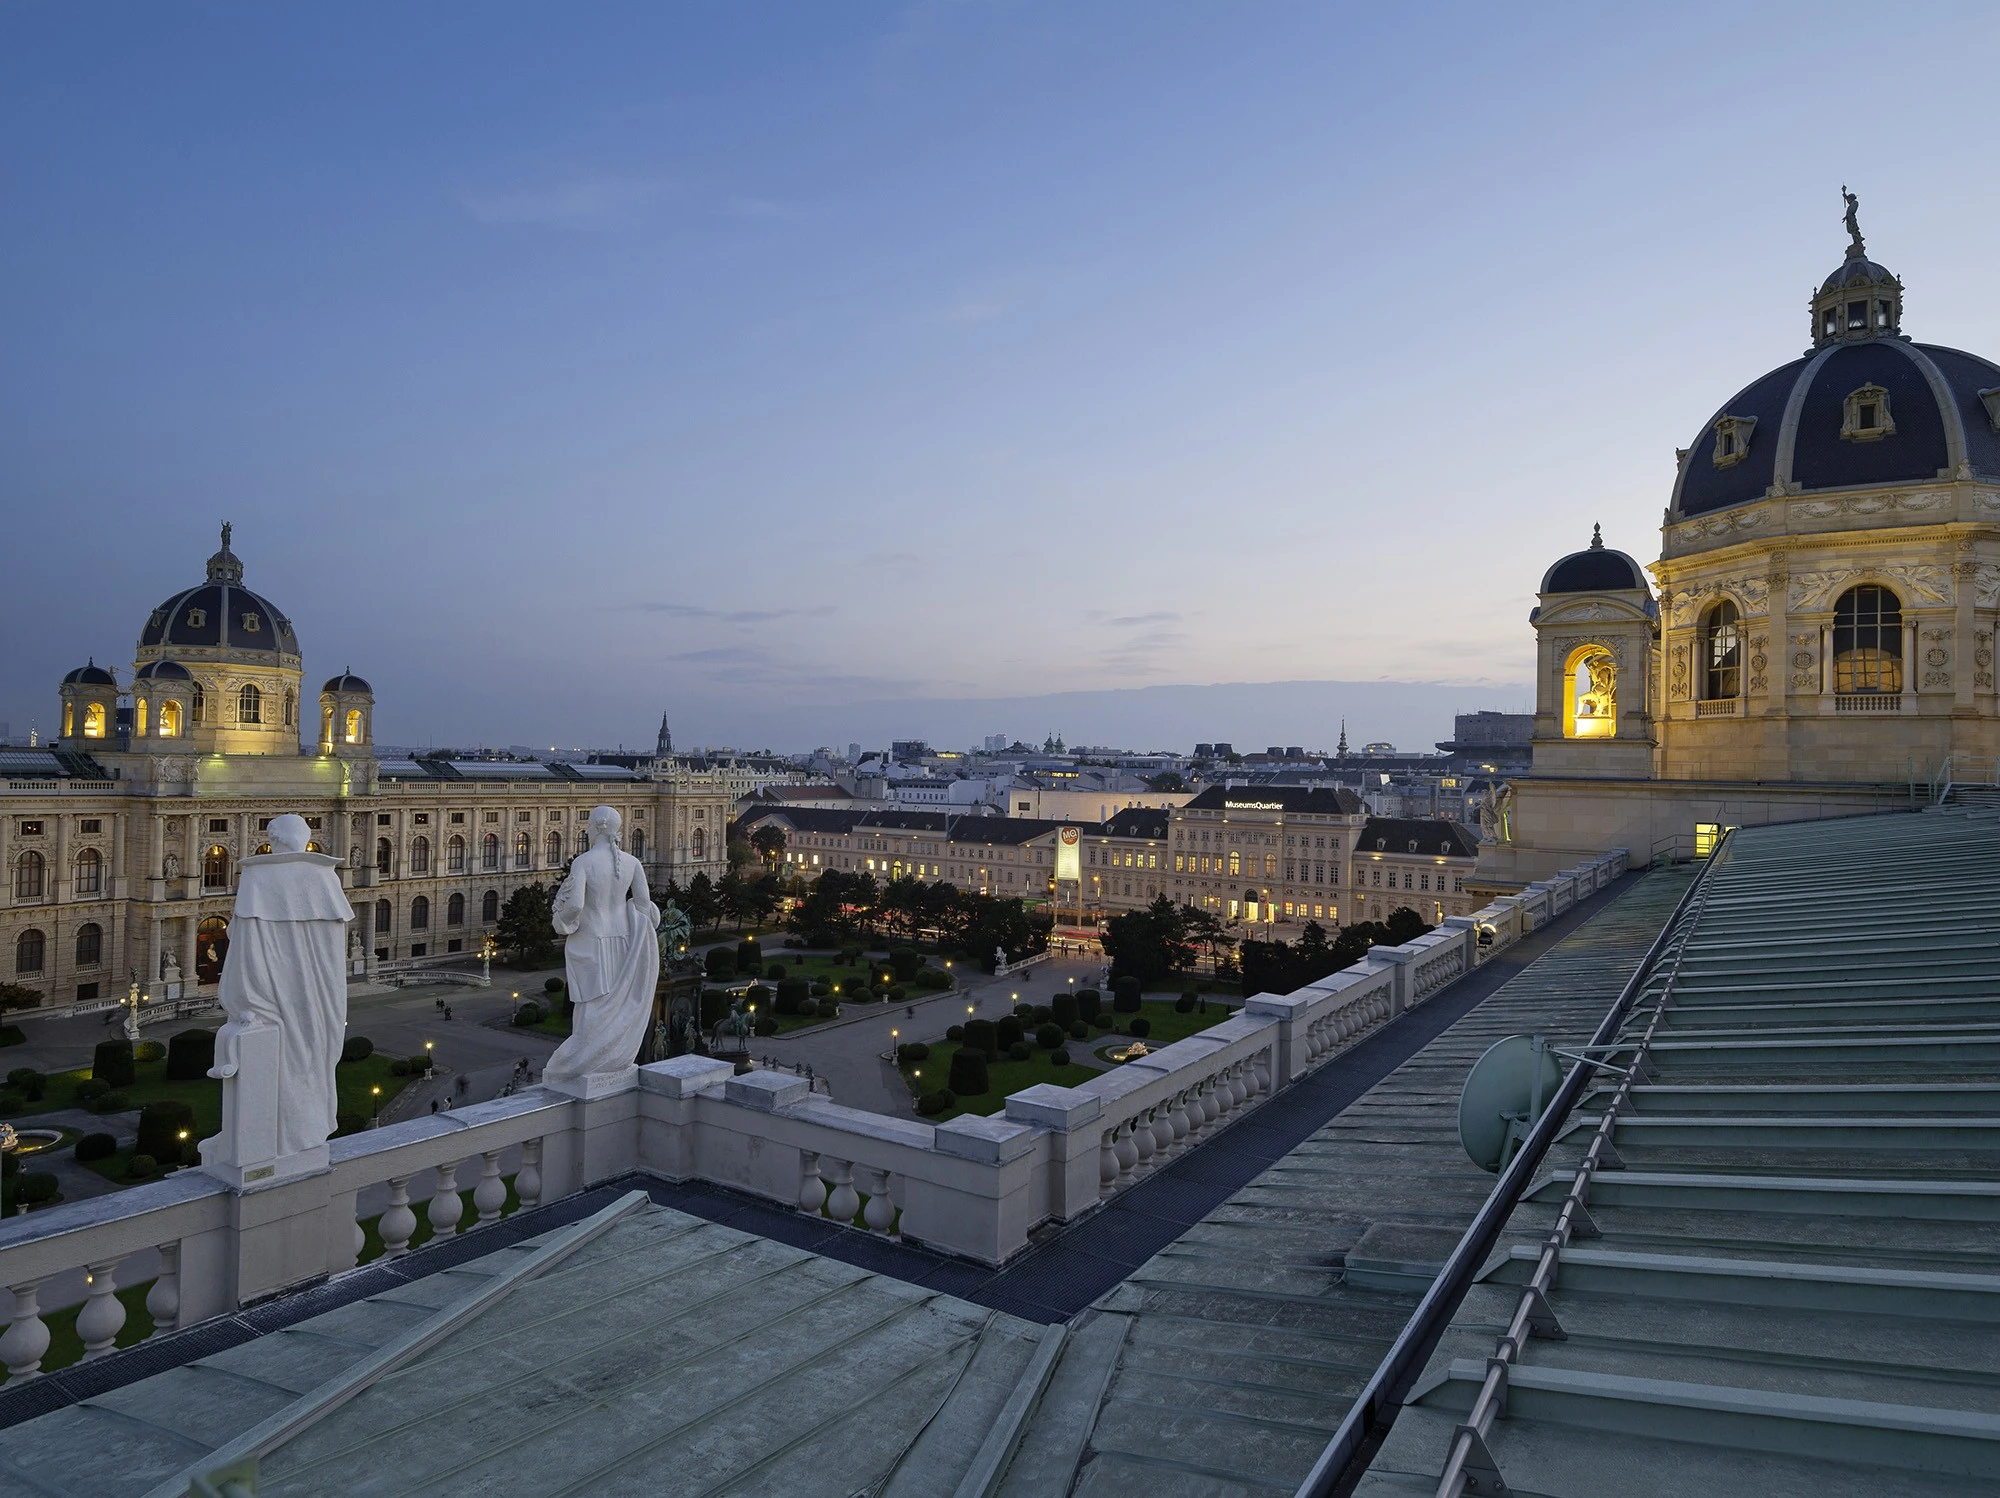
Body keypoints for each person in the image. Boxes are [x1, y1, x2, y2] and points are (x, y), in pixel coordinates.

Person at [211, 813, 353, 1158]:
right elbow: (336, 947)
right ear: (305, 839)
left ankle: (287, 1137)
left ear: (273, 840)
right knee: (312, 1057)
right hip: (320, 996)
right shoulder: (326, 879)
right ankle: (306, 1131)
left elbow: (245, 946)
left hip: (273, 994)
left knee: (287, 1061)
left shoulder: (258, 878)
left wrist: (239, 996)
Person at [543, 806, 660, 1085]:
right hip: (623, 943)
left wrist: (562, 922)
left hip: (592, 941)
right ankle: (611, 1060)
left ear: (595, 828)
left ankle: (583, 1064)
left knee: (591, 1010)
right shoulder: (633, 863)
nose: (585, 829)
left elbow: (575, 905)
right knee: (616, 1008)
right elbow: (646, 909)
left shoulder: (583, 862)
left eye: (587, 825)